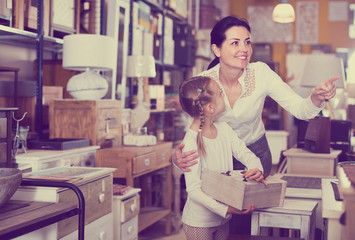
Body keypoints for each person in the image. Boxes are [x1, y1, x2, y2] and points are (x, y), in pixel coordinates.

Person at [173, 15, 339, 176]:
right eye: (235, 43)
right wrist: (179, 156)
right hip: (217, 156)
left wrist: (316, 98)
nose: (244, 49)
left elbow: (300, 109)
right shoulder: (203, 82)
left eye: (247, 42)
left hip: (256, 154)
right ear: (216, 49)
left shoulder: (261, 73)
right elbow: (193, 123)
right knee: (222, 203)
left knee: (256, 204)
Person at [179, 75, 266, 240]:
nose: (224, 95)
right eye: (220, 93)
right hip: (200, 222)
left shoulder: (225, 130)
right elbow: (193, 190)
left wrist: (256, 168)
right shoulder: (190, 143)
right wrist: (226, 209)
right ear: (210, 108)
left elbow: (245, 154)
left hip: (222, 220)